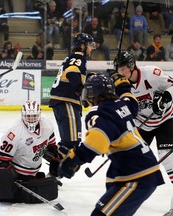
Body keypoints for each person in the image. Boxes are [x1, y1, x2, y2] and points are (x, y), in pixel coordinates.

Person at [58, 73, 165, 215]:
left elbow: (96, 142)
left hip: (135, 177)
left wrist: (73, 159)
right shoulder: (122, 104)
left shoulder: (100, 112)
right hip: (141, 172)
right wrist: (123, 85)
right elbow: (131, 100)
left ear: (92, 94)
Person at [113, 50, 173, 215]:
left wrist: (165, 97)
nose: (121, 73)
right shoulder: (120, 85)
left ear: (132, 66)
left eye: (124, 69)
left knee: (170, 164)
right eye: (119, 69)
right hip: (143, 125)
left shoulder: (151, 73)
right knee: (129, 161)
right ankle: (121, 200)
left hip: (166, 121)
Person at [0, 100, 59, 203]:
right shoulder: (14, 131)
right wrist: (9, 178)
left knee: (56, 162)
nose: (31, 120)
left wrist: (55, 160)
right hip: (17, 170)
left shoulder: (47, 124)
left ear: (39, 115)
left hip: (33, 169)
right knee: (6, 194)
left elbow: (51, 146)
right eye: (28, 116)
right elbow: (1, 158)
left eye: (34, 116)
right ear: (22, 115)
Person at [49, 33, 95, 164]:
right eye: (89, 45)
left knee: (70, 141)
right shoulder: (78, 57)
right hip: (66, 101)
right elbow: (71, 72)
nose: (91, 48)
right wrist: (82, 92)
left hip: (63, 102)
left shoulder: (72, 57)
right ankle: (51, 160)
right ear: (82, 46)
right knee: (71, 141)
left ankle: (54, 168)